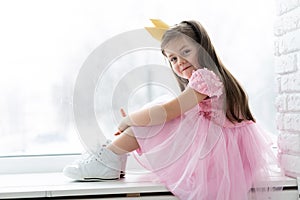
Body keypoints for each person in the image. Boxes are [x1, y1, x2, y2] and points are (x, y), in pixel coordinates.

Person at [63, 19, 280, 199]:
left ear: (203, 48)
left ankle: (109, 157)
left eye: (185, 51)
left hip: (213, 156)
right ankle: (112, 156)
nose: (179, 61)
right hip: (220, 153)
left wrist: (131, 119)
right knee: (159, 117)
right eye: (173, 58)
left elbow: (169, 110)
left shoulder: (205, 77)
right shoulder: (210, 79)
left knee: (159, 117)